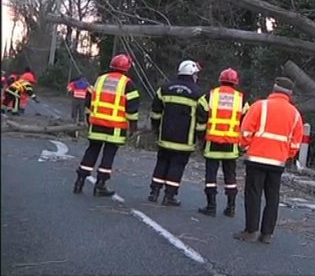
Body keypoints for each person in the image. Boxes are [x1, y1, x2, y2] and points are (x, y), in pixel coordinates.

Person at [233, 77, 304, 244]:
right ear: (290, 94)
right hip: (278, 161)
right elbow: (296, 141)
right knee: (273, 197)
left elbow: (245, 130)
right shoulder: (295, 113)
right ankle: (267, 234)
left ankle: (251, 231)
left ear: (273, 89)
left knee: (253, 194)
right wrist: (287, 154)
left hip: (256, 158)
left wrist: (245, 146)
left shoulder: (260, 106)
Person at [72, 54, 140, 196]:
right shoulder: (127, 83)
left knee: (92, 151)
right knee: (108, 155)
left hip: (96, 123)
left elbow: (88, 101)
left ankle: (79, 182)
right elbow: (132, 108)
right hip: (115, 127)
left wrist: (88, 118)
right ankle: (100, 185)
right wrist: (133, 127)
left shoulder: (100, 80)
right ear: (127, 68)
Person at [148, 60, 208, 206]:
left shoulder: (164, 89)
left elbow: (155, 112)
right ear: (192, 74)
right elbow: (202, 119)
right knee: (177, 165)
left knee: (162, 162)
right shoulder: (199, 94)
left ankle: (154, 192)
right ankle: (169, 195)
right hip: (185, 140)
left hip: (165, 136)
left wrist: (156, 129)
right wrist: (201, 138)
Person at [198, 68, 250, 218]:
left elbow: (200, 114)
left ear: (220, 79)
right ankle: (231, 207)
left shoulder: (211, 95)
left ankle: (211, 206)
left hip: (212, 141)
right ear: (235, 82)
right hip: (231, 143)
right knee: (230, 176)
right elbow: (247, 120)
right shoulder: (241, 99)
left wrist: (201, 136)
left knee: (211, 175)